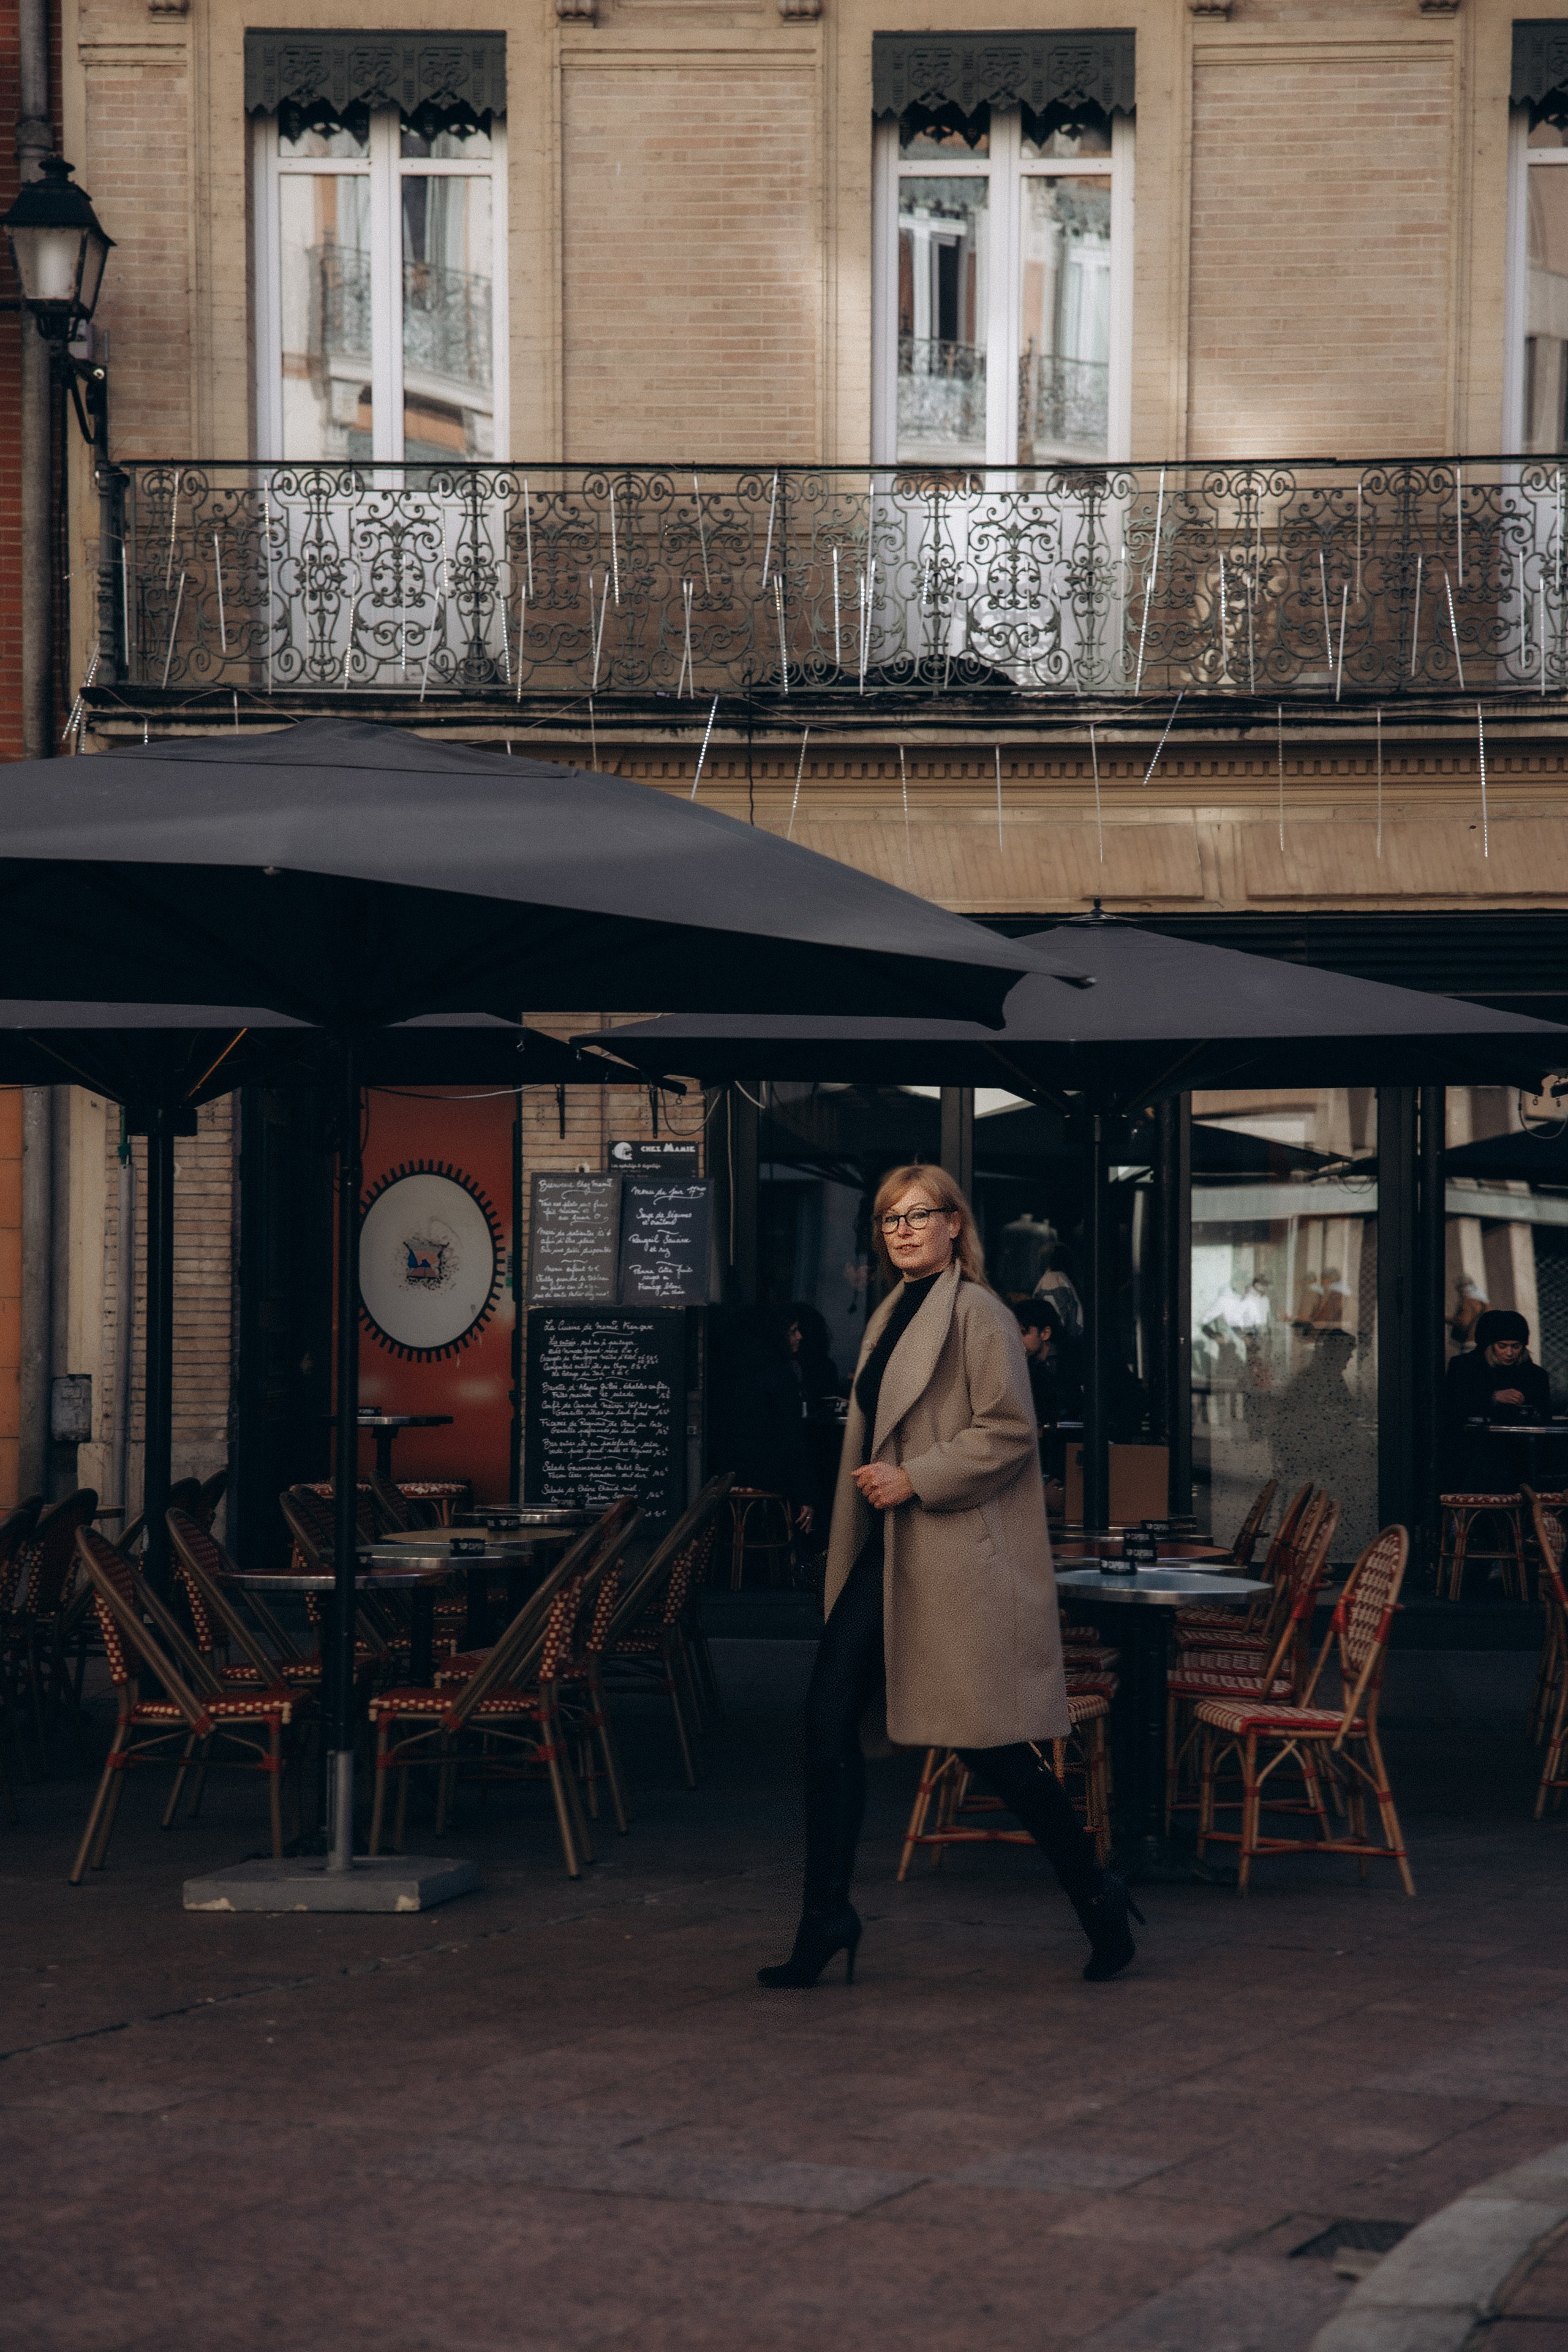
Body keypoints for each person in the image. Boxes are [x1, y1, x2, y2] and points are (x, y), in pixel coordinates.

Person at [758, 1163, 1143, 1992]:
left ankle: (1096, 1891)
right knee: (825, 1725)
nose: (901, 1230)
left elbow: (1009, 1431)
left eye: (917, 1215)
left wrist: (917, 1476)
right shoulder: (894, 1310)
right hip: (890, 1550)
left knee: (991, 1747)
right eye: (889, 1219)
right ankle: (826, 1916)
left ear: (955, 1224)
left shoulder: (981, 1313)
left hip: (951, 1550)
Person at [1442, 1308, 1552, 1487]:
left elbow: (1544, 1416)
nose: (1510, 1353)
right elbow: (1452, 1407)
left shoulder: (1535, 1376)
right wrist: (1492, 1398)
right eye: (1502, 1346)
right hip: (1473, 1459)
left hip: (1521, 1458)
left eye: (1516, 1347)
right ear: (1489, 1344)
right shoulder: (1464, 1368)